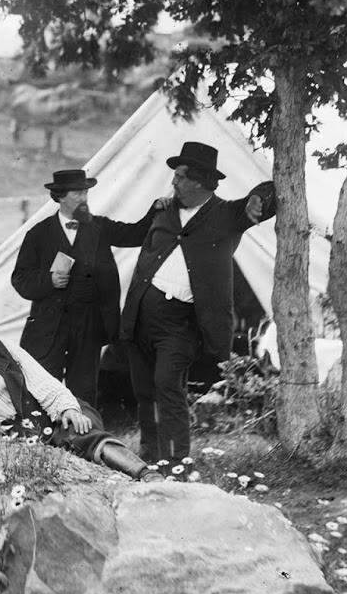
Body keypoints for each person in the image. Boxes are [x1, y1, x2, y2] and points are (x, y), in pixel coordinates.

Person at [117, 141, 276, 467]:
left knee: (167, 386)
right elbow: (135, 236)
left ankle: (175, 462)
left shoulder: (228, 215)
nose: (173, 182)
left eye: (179, 176)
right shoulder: (164, 210)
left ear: (200, 181)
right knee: (145, 388)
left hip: (180, 322)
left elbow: (269, 193)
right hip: (142, 312)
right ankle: (149, 455)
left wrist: (261, 199)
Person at [0, 310, 145, 475]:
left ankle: (143, 473)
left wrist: (68, 408)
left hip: (45, 415)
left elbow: (44, 382)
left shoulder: (4, 352)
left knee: (80, 430)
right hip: (17, 440)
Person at [10, 168, 126, 409]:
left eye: (86, 192)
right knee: (42, 388)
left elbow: (134, 233)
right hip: (47, 327)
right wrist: (48, 281)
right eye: (77, 193)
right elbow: (20, 279)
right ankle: (45, 443)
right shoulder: (38, 234)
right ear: (60, 196)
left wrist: (158, 209)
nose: (84, 198)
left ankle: (84, 442)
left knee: (84, 392)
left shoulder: (99, 227)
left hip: (87, 327)